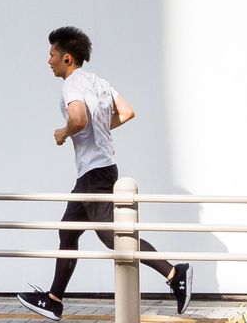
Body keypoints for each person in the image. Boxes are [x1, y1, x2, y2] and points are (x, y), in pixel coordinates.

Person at [17, 28, 189, 320]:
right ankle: (54, 299)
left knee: (114, 238)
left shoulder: (72, 84)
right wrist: (99, 131)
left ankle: (175, 274)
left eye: (52, 55)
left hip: (95, 173)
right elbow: (126, 111)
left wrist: (63, 133)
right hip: (100, 168)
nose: (48, 61)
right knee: (68, 231)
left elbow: (78, 118)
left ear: (67, 58)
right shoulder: (98, 82)